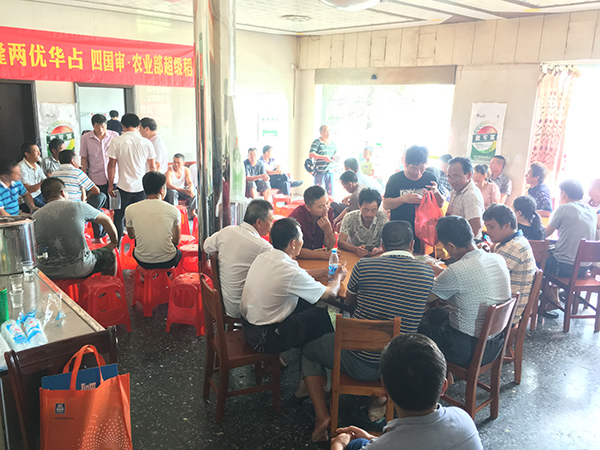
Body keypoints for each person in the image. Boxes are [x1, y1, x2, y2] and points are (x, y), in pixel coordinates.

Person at [302, 221, 434, 442]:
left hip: (359, 361)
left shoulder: (364, 266)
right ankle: (379, 402)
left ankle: (321, 415)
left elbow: (350, 302)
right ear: (412, 245)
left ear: (382, 244)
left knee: (308, 348)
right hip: (400, 365)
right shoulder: (427, 273)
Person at [331, 334, 483, 450]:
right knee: (361, 442)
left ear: (385, 388)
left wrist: (339, 443)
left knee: (354, 445)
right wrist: (374, 440)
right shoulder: (463, 419)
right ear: (444, 386)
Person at [240, 217, 347, 355]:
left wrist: (323, 272)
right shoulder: (289, 269)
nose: (303, 242)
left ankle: (302, 347)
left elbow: (297, 274)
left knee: (306, 302)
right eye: (301, 238)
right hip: (266, 339)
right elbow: (330, 294)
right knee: (322, 316)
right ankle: (312, 357)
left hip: (248, 327)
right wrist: (338, 276)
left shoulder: (265, 256)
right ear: (293, 243)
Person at [419, 215, 511, 367]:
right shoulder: (497, 258)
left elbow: (425, 298)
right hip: (496, 343)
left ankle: (429, 374)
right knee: (436, 314)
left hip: (467, 350)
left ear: (451, 246)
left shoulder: (456, 270)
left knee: (416, 327)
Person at [33, 178, 117, 279]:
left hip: (47, 271)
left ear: (44, 198)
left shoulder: (35, 216)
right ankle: (107, 284)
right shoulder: (78, 206)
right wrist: (113, 242)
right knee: (110, 255)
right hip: (81, 268)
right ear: (63, 193)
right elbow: (106, 220)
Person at [203, 199, 274, 318]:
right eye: (270, 221)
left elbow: (206, 246)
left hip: (226, 303)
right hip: (245, 309)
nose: (271, 226)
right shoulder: (263, 247)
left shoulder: (227, 231)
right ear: (259, 222)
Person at [383, 145, 443, 253]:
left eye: (422, 168)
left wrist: (436, 192)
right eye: (413, 168)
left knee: (422, 258)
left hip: (424, 230)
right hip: (400, 230)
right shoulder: (395, 180)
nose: (418, 172)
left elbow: (441, 204)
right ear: (405, 163)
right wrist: (402, 199)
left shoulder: (430, 178)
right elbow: (386, 204)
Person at [107, 113, 156, 243]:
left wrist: (110, 185)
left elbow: (111, 165)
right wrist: (153, 189)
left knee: (119, 217)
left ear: (122, 125)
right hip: (142, 187)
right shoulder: (147, 143)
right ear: (138, 126)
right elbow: (152, 168)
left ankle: (116, 245)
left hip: (123, 186)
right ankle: (140, 245)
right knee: (140, 218)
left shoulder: (116, 141)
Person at [483, 204, 536, 324]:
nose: (487, 231)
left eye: (491, 227)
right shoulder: (514, 240)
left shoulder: (514, 247)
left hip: (506, 314)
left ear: (507, 225)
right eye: (486, 226)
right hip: (506, 306)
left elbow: (487, 279)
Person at [125, 171, 182, 270]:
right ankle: (166, 274)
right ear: (161, 190)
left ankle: (145, 274)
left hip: (142, 260)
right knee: (179, 253)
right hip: (168, 260)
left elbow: (131, 235)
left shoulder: (130, 209)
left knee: (137, 246)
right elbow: (176, 241)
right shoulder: (174, 210)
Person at [544, 180, 596, 278]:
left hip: (563, 267)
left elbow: (545, 233)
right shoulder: (591, 211)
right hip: (584, 269)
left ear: (563, 193)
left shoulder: (563, 208)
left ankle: (541, 288)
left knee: (537, 259)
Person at [53, 150, 107, 240]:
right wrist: (87, 198)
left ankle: (98, 237)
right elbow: (96, 191)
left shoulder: (54, 174)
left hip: (58, 209)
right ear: (73, 161)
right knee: (101, 197)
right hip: (76, 209)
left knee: (97, 210)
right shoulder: (77, 173)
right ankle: (99, 237)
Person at [80, 114, 120, 202]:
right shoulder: (85, 138)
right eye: (97, 127)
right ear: (93, 126)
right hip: (96, 176)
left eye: (103, 127)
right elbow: (84, 158)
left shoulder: (114, 136)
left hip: (114, 177)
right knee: (99, 202)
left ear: (106, 125)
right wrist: (83, 177)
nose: (101, 130)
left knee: (114, 203)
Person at [338, 188, 388, 257]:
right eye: (366, 210)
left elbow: (388, 241)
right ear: (359, 206)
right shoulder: (349, 217)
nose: (369, 214)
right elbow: (340, 242)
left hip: (375, 256)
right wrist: (356, 249)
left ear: (378, 208)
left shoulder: (382, 216)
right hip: (353, 255)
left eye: (373, 210)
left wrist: (378, 250)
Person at [289, 185, 335, 260]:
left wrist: (328, 230)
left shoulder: (329, 212)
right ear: (308, 207)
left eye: (327, 203)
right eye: (321, 206)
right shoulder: (297, 216)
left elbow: (330, 245)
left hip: (318, 258)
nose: (326, 209)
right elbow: (293, 249)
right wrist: (323, 255)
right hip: (300, 260)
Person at [446, 157, 485, 242]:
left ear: (469, 175)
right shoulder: (455, 190)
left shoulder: (471, 195)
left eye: (456, 176)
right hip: (456, 239)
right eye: (449, 176)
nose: (452, 181)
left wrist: (460, 245)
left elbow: (475, 228)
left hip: (467, 243)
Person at [309, 125, 337, 195]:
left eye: (328, 131)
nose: (328, 133)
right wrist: (323, 157)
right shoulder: (316, 142)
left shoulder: (332, 143)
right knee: (318, 192)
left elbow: (335, 153)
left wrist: (334, 158)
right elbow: (311, 154)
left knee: (330, 191)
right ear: (321, 133)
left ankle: (330, 202)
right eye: (325, 131)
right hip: (319, 171)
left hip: (330, 171)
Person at [18, 143, 46, 209]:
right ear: (27, 154)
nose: (39, 154)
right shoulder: (21, 167)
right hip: (29, 199)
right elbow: (28, 189)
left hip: (39, 195)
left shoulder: (37, 165)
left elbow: (44, 179)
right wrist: (43, 183)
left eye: (39, 151)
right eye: (36, 151)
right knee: (48, 208)